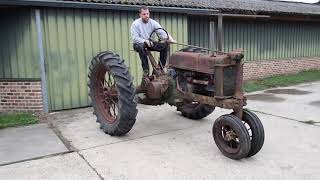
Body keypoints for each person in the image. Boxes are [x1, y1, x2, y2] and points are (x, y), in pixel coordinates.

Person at [130, 6, 175, 77]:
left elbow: (161, 32)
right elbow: (135, 38)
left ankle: (160, 68)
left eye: (147, 14)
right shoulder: (135, 24)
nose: (146, 16)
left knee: (164, 46)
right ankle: (146, 70)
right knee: (141, 47)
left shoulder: (153, 23)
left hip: (149, 43)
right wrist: (145, 41)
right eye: (144, 14)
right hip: (138, 44)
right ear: (140, 14)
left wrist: (170, 39)